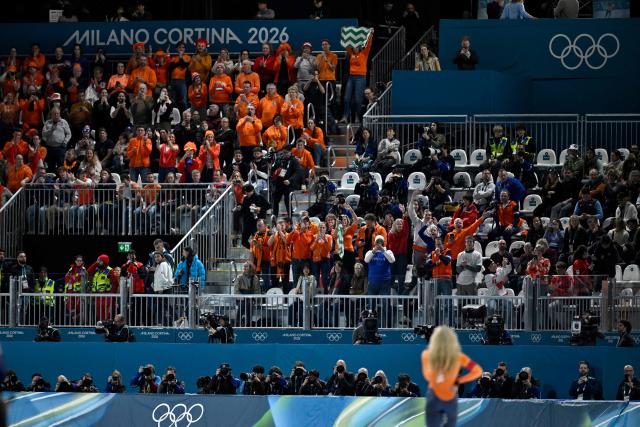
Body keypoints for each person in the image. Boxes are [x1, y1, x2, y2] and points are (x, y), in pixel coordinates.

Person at [421, 326, 482, 427]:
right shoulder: (459, 357)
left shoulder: (426, 355)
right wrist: (458, 380)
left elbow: (428, 376)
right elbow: (477, 371)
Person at [341, 29, 373, 124]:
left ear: (359, 47)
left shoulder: (364, 53)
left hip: (360, 78)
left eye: (356, 46)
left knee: (358, 99)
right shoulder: (351, 54)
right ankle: (345, 117)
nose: (354, 48)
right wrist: (345, 35)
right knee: (346, 98)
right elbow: (346, 45)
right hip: (351, 77)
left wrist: (370, 35)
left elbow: (369, 45)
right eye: (353, 46)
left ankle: (358, 118)